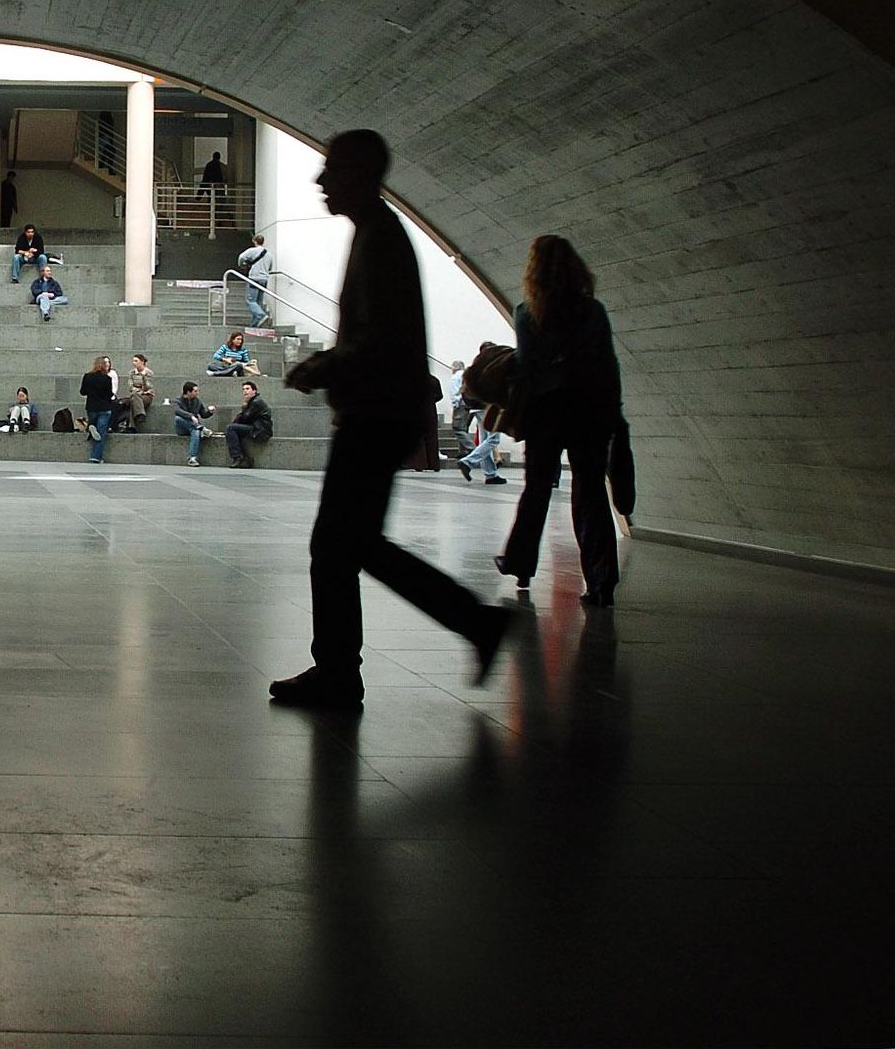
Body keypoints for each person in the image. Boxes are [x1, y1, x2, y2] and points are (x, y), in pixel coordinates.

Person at [269, 129, 516, 710]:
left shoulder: (379, 238)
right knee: (352, 545)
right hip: (380, 412)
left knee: (338, 546)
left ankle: (346, 670)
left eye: (331, 168)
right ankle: (466, 627)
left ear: (359, 174)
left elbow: (380, 341)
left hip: (376, 414)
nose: (319, 180)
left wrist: (321, 366)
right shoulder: (375, 233)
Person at [495, 236, 624, 606]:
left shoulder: (527, 313)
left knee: (536, 489)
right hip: (589, 412)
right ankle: (601, 580)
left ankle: (520, 562)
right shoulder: (593, 311)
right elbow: (607, 364)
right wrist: (614, 412)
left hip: (546, 413)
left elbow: (528, 368)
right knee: (591, 494)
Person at [224, 381, 273, 468]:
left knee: (231, 428)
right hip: (256, 427)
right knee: (232, 429)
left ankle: (238, 457)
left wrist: (245, 405)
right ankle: (242, 457)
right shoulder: (253, 401)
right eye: (243, 389)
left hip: (260, 430)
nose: (245, 391)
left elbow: (245, 418)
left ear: (254, 391)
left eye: (247, 389)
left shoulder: (256, 402)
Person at [79, 355, 116, 462]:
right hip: (104, 408)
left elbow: (83, 392)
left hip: (91, 407)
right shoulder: (107, 379)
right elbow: (109, 394)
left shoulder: (87, 376)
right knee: (101, 432)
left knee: (94, 425)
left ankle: (90, 426)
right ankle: (95, 457)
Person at [173, 381, 217, 466]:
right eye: (195, 391)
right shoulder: (177, 401)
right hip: (182, 428)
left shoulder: (197, 401)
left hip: (194, 427)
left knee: (196, 431)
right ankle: (202, 428)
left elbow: (203, 414)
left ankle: (192, 458)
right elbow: (177, 411)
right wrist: (191, 416)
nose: (197, 393)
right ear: (188, 392)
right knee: (178, 419)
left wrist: (210, 412)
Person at [236, 234, 273, 327]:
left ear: (254, 241)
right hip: (264, 279)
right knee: (258, 302)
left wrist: (241, 265)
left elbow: (241, 257)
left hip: (254, 278)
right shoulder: (269, 254)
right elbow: (270, 267)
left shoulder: (252, 251)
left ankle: (261, 315)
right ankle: (254, 323)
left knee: (251, 300)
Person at [114, 353, 154, 431]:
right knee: (134, 398)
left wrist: (143, 377)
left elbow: (149, 387)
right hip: (136, 395)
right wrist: (141, 391)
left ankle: (132, 424)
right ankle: (139, 416)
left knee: (134, 397)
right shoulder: (131, 373)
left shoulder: (148, 373)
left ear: (142, 362)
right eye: (133, 361)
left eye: (136, 361)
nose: (134, 363)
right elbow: (131, 387)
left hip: (147, 397)